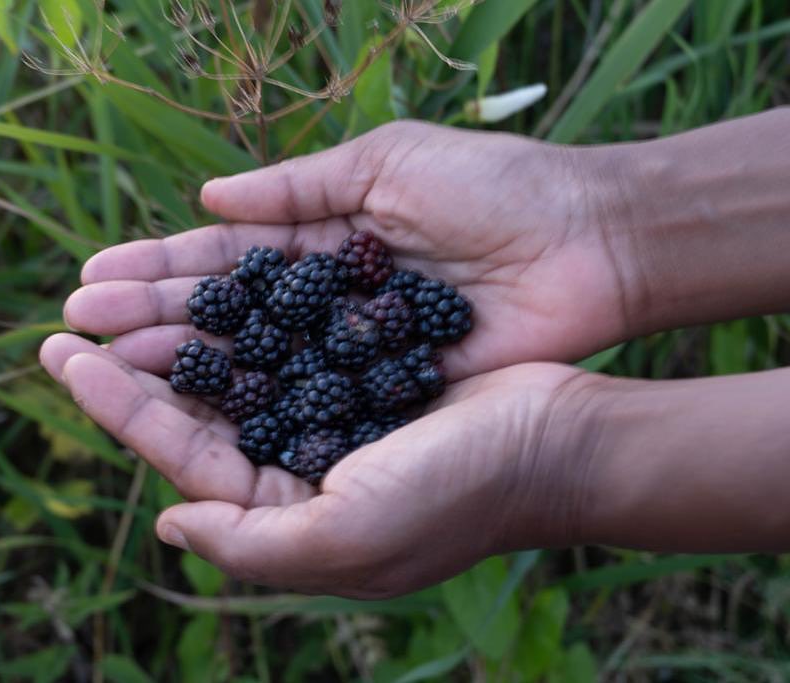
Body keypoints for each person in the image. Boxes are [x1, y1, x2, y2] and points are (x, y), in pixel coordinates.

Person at [40, 109, 790, 599]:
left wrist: (549, 463)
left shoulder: (345, 336)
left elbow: (322, 371)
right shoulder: (313, 341)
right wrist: (607, 215)